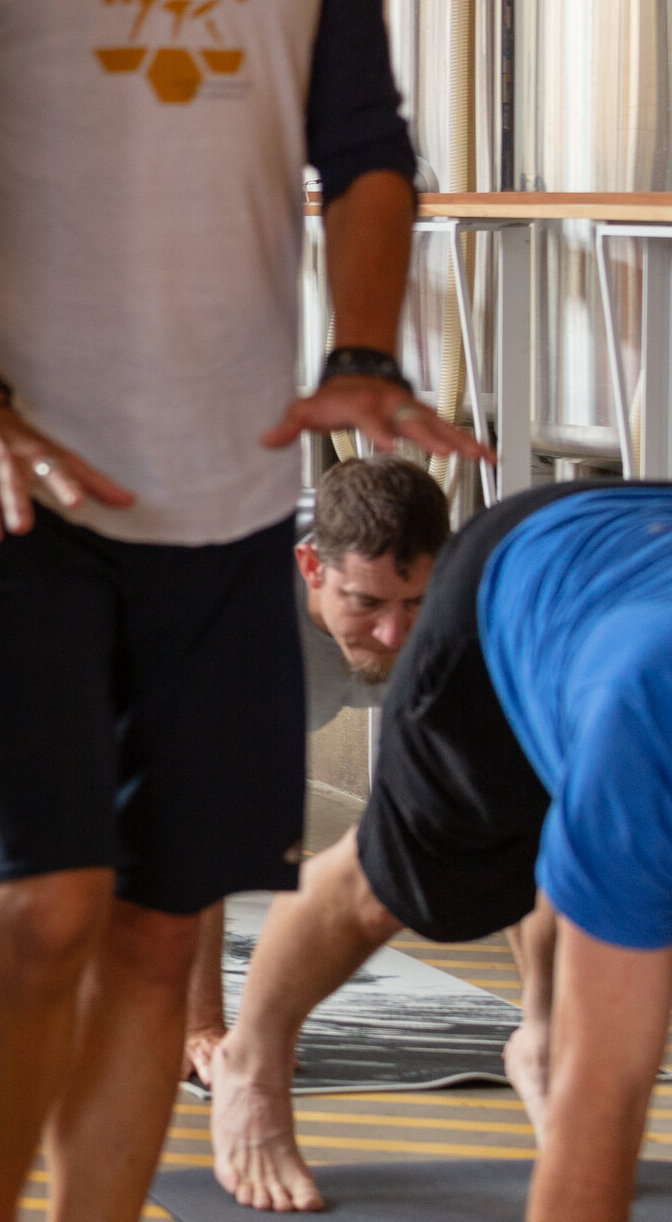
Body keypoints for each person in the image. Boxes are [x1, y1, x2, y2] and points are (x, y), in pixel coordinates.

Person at [0, 0, 488, 1215]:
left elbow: (367, 151)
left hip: (232, 481)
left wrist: (360, 354)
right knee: (44, 905)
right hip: (11, 475)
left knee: (165, 925)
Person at [205, 481, 672, 1218]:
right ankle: (251, 1060)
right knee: (390, 883)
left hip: (631, 564)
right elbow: (603, 1110)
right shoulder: (645, 738)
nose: (387, 629)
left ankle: (538, 1039)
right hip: (515, 585)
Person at [179, 455, 451, 1082]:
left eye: (415, 603)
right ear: (311, 568)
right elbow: (197, 837)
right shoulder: (235, 612)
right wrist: (202, 1028)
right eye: (367, 603)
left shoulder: (460, 600)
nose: (392, 633)